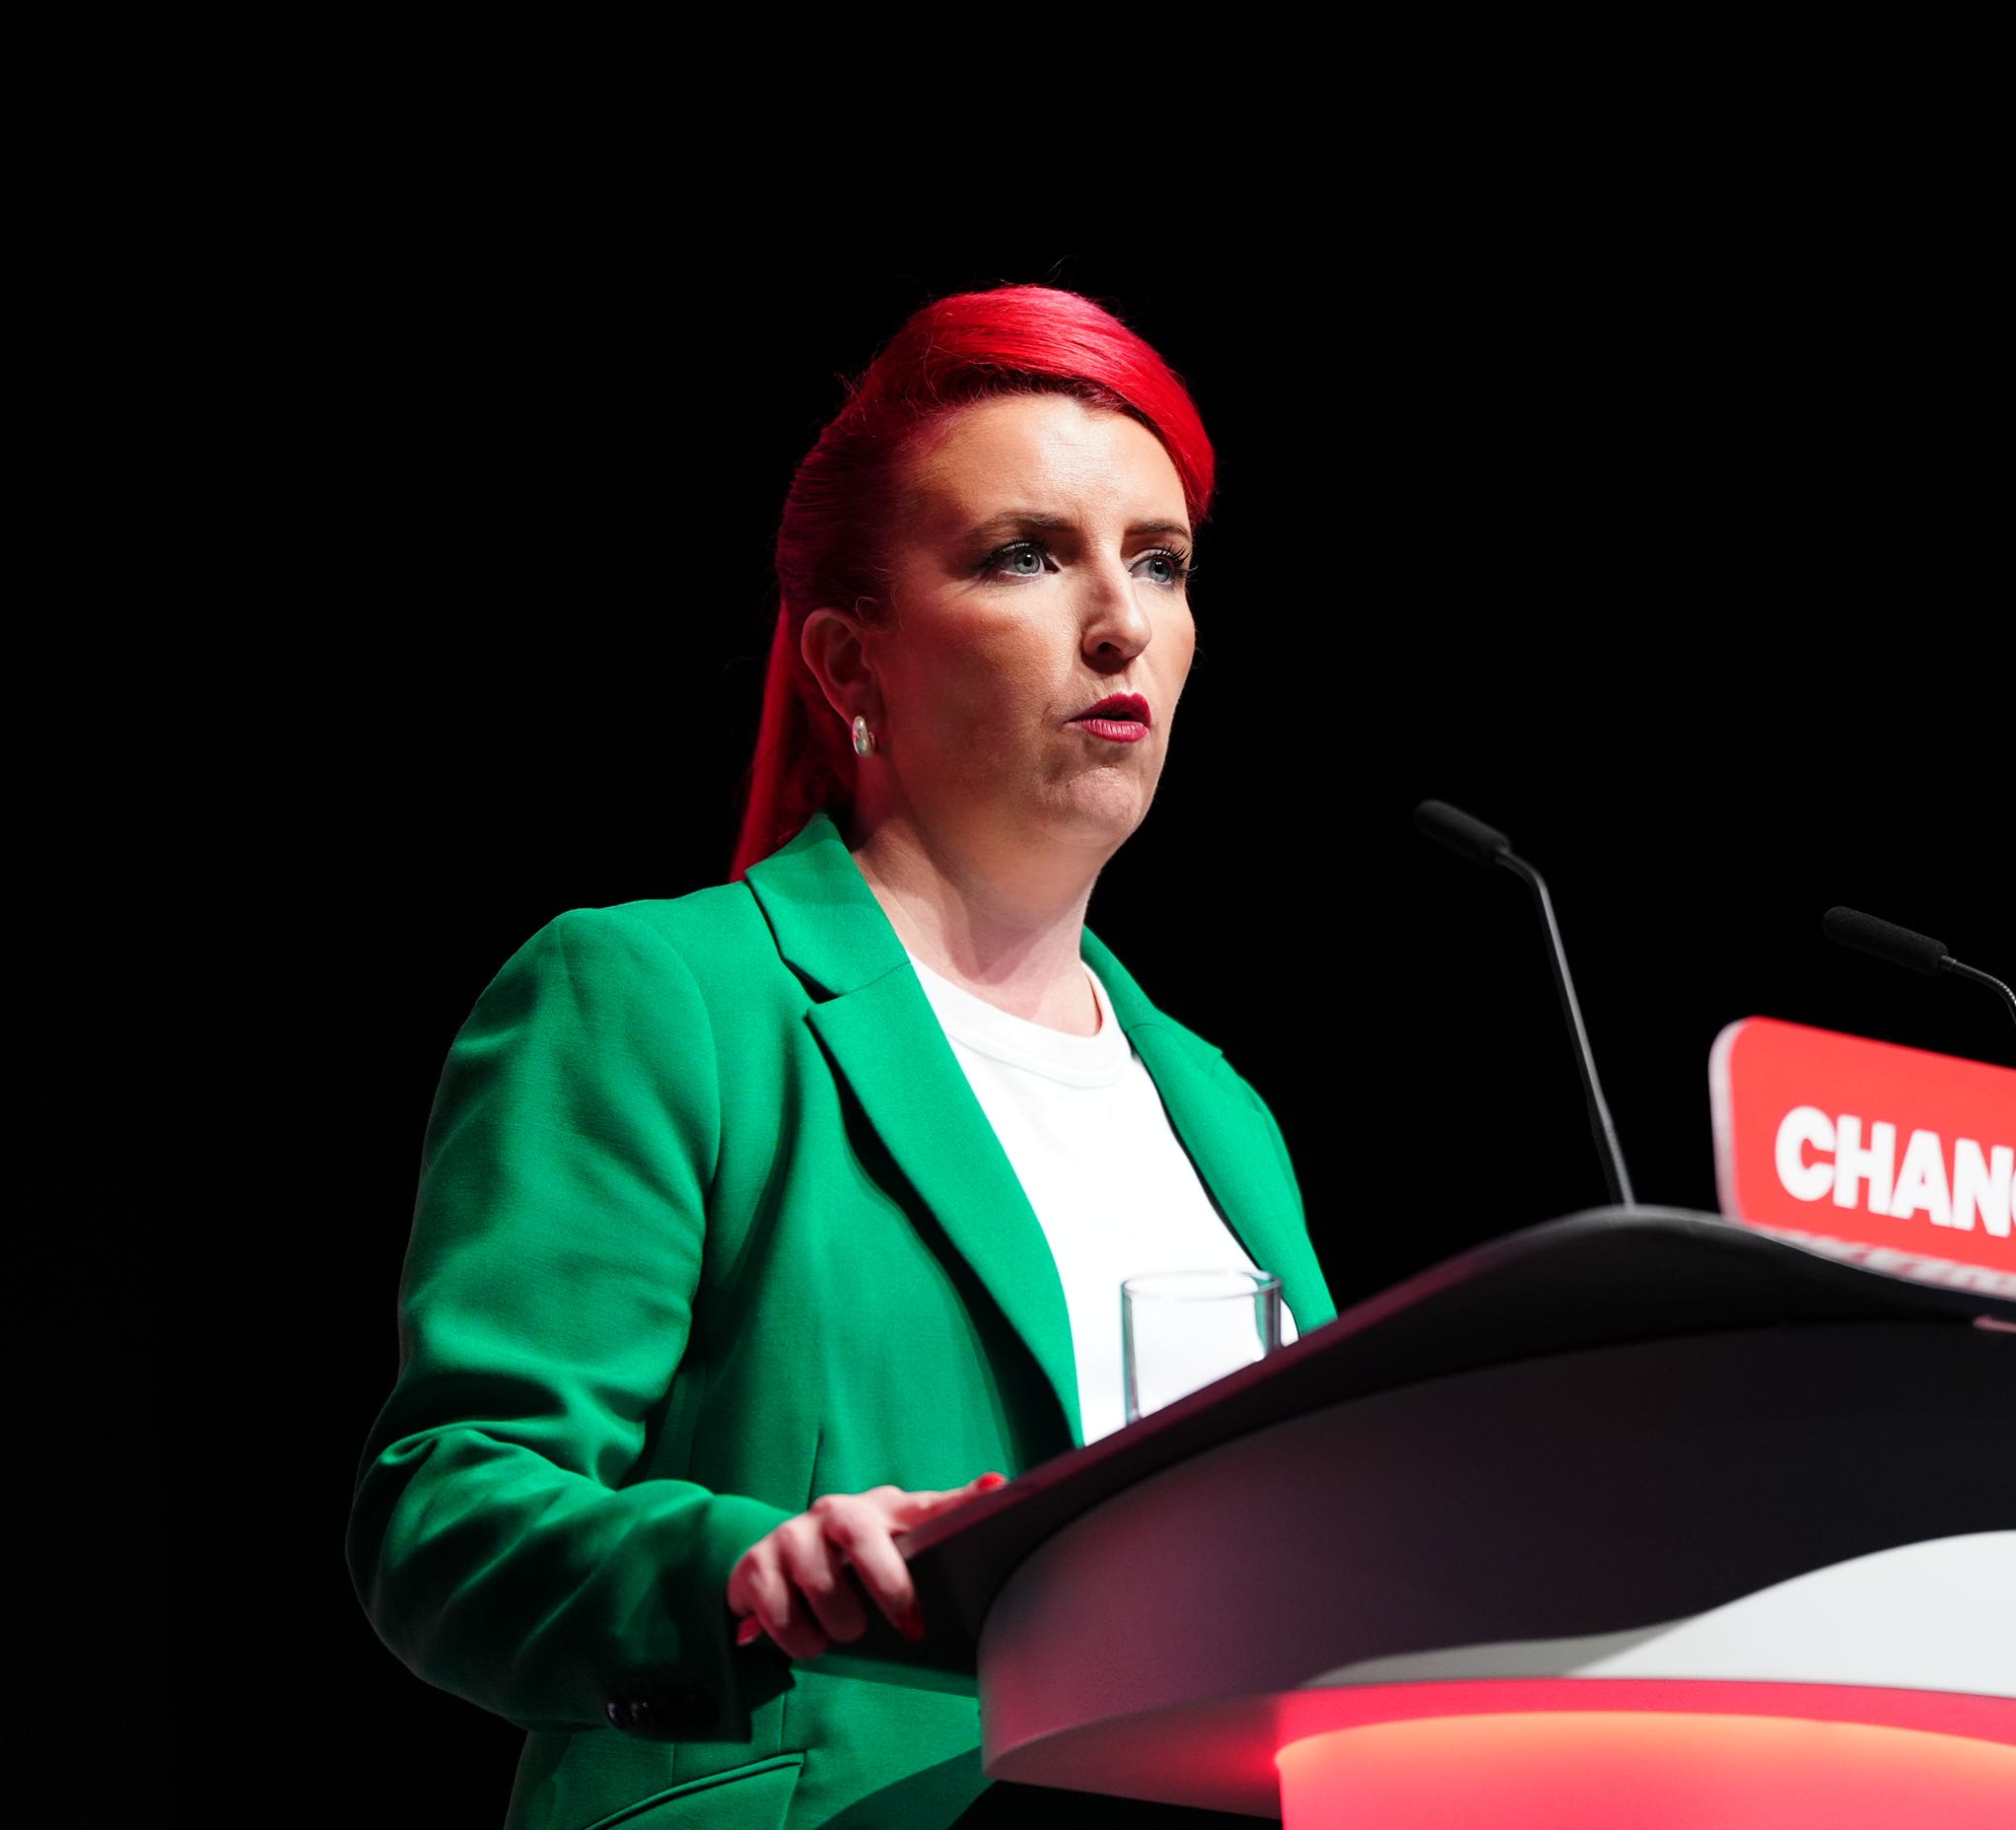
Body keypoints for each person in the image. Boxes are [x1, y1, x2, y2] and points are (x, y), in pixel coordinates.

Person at [347, 287, 1335, 1829]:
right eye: (1027, 553)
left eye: (1160, 562)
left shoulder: (1222, 1114)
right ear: (846, 662)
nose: (1119, 620)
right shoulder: (659, 997)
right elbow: (447, 1513)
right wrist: (740, 1567)